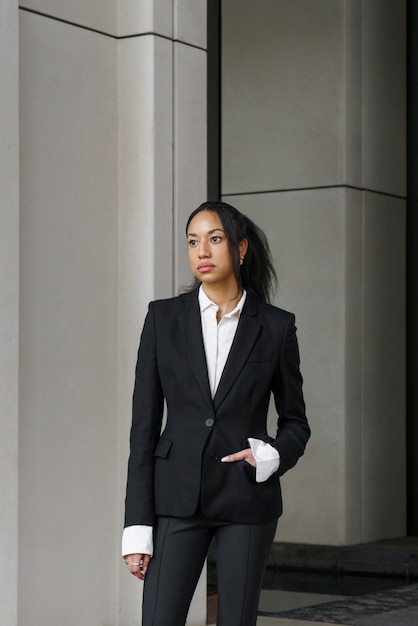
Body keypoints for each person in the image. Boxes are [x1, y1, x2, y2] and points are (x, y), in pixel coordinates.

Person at [122, 201, 310, 626]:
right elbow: (143, 429)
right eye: (193, 241)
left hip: (246, 497)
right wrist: (137, 527)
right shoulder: (162, 319)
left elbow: (296, 422)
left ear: (241, 249)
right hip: (174, 497)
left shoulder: (276, 327)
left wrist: (269, 456)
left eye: (215, 239)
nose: (202, 251)